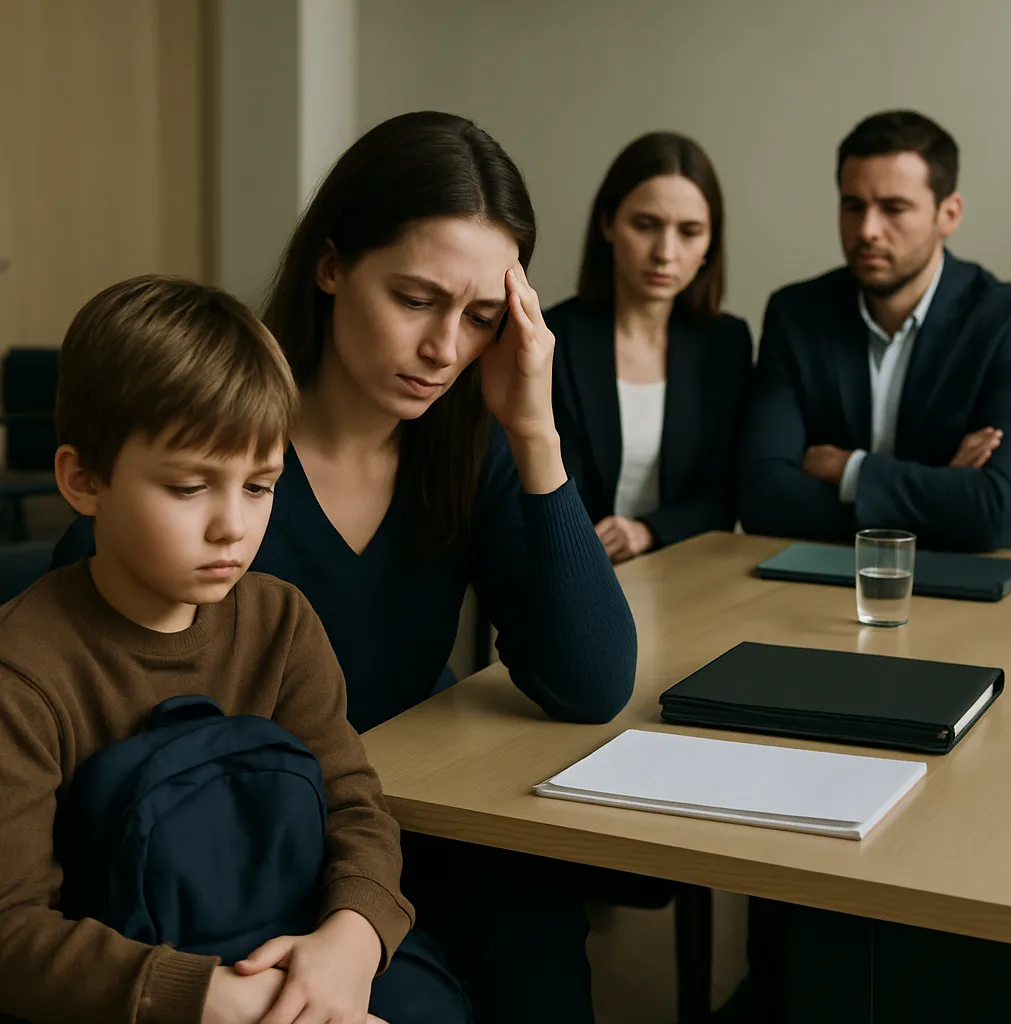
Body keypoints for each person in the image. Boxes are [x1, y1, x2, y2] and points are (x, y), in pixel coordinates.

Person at [54, 111, 638, 1024]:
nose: (446, 349)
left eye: (481, 317)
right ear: (331, 266)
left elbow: (591, 681)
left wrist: (534, 429)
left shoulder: (462, 450)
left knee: (535, 926)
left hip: (403, 823)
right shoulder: (205, 477)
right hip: (243, 854)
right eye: (416, 300)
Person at [0, 276, 408, 1024]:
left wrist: (352, 937)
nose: (233, 527)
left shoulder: (282, 622)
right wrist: (208, 999)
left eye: (260, 486)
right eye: (190, 488)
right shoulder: (21, 672)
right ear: (83, 481)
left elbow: (358, 809)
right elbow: (11, 932)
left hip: (294, 953)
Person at [738, 109, 1011, 552]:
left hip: (973, 595)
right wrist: (941, 491)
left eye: (894, 208)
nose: (868, 230)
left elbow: (993, 510)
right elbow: (762, 499)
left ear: (948, 214)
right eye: (853, 206)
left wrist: (848, 470)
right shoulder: (797, 315)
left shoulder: (1007, 320)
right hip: (814, 585)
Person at [549, 133, 752, 563]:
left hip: (684, 571)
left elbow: (726, 493)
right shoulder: (552, 337)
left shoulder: (725, 343)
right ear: (607, 224)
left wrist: (647, 532)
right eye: (646, 225)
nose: (665, 252)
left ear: (709, 245)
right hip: (571, 567)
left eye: (689, 232)